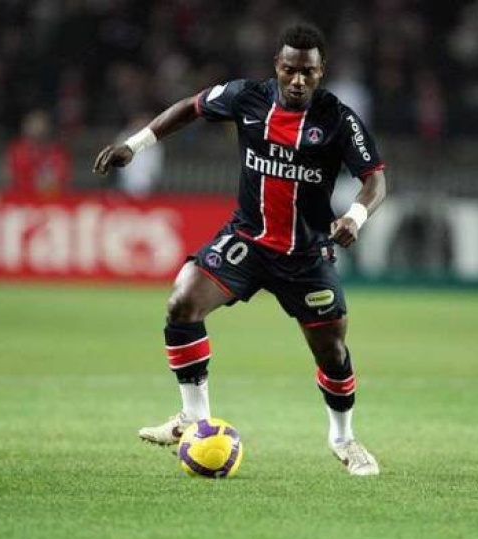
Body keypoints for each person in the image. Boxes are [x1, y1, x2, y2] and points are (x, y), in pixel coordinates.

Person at [93, 24, 387, 476]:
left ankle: (343, 438)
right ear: (277, 66)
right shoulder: (247, 97)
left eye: (308, 72)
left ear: (321, 72)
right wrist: (135, 146)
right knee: (182, 303)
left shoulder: (338, 118)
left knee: (332, 352)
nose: (298, 81)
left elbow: (375, 180)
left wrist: (355, 217)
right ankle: (193, 417)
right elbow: (190, 108)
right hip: (247, 241)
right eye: (290, 70)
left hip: (306, 255)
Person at [5, 110, 71, 198]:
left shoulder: (57, 153)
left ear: (47, 130)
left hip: (49, 199)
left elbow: (60, 180)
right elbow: (13, 177)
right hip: (21, 197)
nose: (36, 130)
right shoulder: (17, 151)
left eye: (40, 127)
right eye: (33, 127)